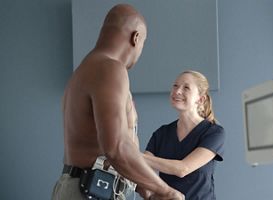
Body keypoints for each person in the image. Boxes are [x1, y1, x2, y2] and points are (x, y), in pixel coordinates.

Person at [51, 4, 184, 200]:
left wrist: (143, 186)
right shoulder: (109, 69)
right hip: (89, 190)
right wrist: (164, 190)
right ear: (136, 37)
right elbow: (116, 147)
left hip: (86, 187)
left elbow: (109, 146)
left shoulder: (86, 70)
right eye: (143, 43)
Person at [143, 70, 225, 200]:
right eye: (175, 86)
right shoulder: (161, 133)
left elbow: (183, 169)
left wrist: (135, 156)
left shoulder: (214, 132)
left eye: (186, 87)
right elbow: (143, 173)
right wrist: (151, 196)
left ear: (200, 99)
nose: (177, 91)